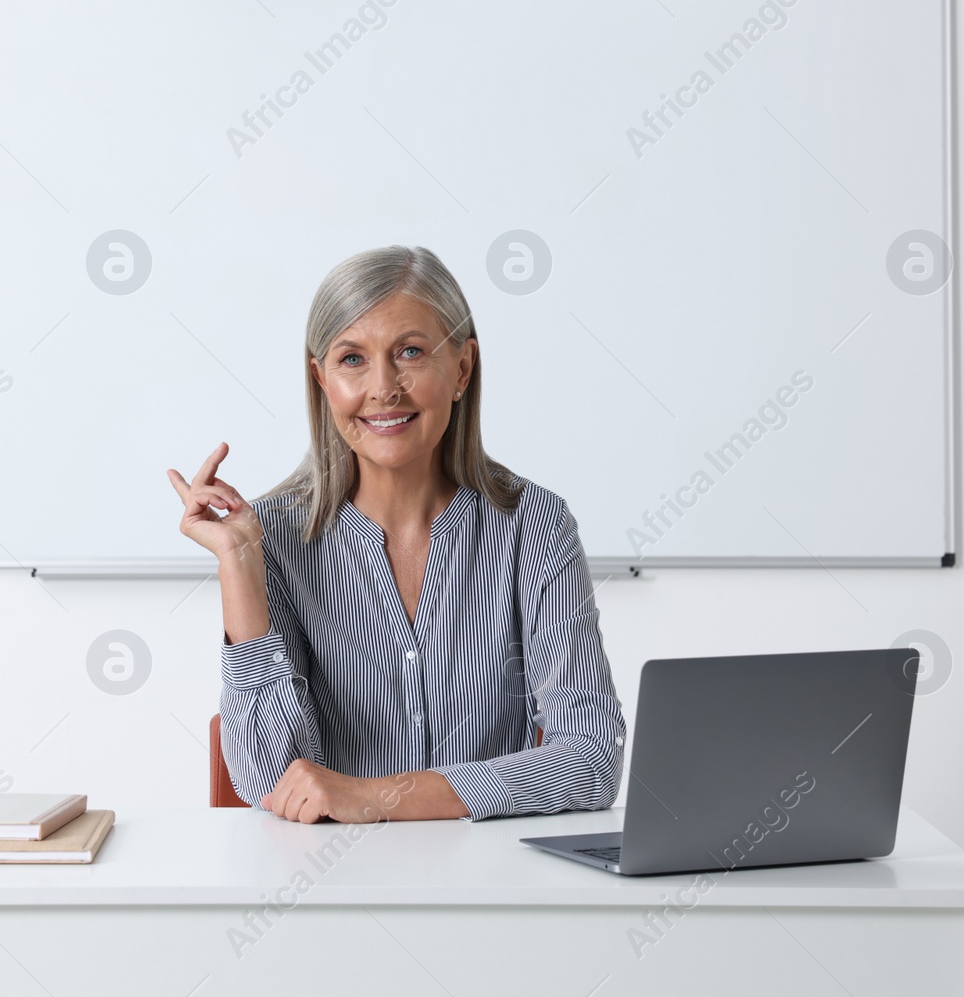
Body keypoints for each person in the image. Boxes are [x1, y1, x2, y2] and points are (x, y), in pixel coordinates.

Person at [166, 245, 625, 823]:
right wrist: (238, 562)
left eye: (410, 352)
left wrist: (379, 797)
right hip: (327, 883)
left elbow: (591, 762)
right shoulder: (272, 537)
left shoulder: (535, 525)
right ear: (322, 379)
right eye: (352, 359)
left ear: (461, 369)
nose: (383, 388)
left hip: (491, 884)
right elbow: (268, 775)